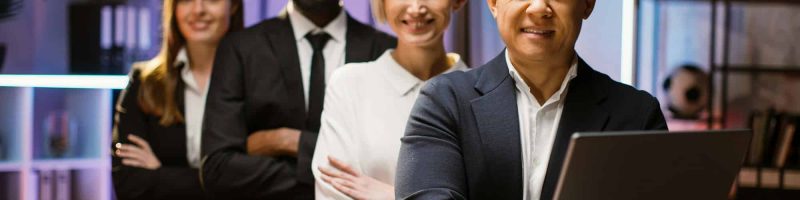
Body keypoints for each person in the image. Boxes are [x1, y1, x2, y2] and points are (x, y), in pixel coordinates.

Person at [395, 0, 668, 199]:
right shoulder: (445, 101)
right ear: (493, 3)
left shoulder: (637, 115)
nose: (538, 8)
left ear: (587, 4)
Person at [200, 0, 396, 198]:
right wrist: (343, 178)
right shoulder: (241, 48)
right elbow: (218, 169)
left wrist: (289, 141)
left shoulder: (385, 51)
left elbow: (393, 169)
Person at [310, 0, 467, 199]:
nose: (416, 8)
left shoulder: (485, 94)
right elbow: (332, 192)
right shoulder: (348, 85)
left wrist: (392, 195)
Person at [111, 0, 243, 199]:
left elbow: (263, 184)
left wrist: (159, 173)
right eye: (186, 0)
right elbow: (130, 185)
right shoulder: (144, 83)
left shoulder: (257, 83)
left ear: (233, 6)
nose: (198, 10)